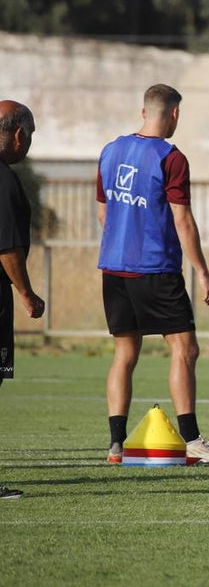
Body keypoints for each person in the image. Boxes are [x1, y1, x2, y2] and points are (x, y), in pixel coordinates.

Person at [96, 85, 209, 465]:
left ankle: (116, 445)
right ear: (175, 114)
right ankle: (192, 440)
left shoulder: (111, 150)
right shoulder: (171, 157)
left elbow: (103, 213)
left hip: (115, 267)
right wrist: (203, 273)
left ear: (143, 111)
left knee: (125, 353)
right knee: (185, 349)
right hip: (156, 269)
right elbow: (182, 220)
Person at [0, 100, 44, 500]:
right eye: (29, 135)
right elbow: (8, 248)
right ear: (18, 134)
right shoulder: (4, 180)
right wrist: (27, 294)